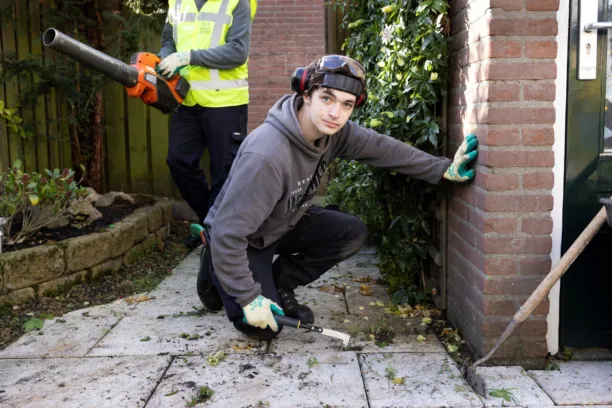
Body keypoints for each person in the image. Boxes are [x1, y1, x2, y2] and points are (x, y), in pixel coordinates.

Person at [199, 55, 478, 340]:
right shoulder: (267, 156)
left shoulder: (332, 133)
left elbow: (382, 148)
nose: (335, 113)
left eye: (346, 104)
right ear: (306, 95)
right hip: (243, 239)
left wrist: (443, 169)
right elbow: (229, 233)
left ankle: (281, 281)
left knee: (350, 232)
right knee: (263, 328)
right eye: (327, 99)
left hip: (283, 221)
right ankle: (213, 267)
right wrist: (249, 297)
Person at [157, 0, 257, 249]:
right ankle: (209, 224)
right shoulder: (178, 2)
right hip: (187, 99)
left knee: (224, 172)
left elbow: (237, 52)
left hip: (225, 101)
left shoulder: (237, 3)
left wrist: (187, 57)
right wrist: (164, 57)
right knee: (178, 161)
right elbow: (169, 39)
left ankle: (218, 235)